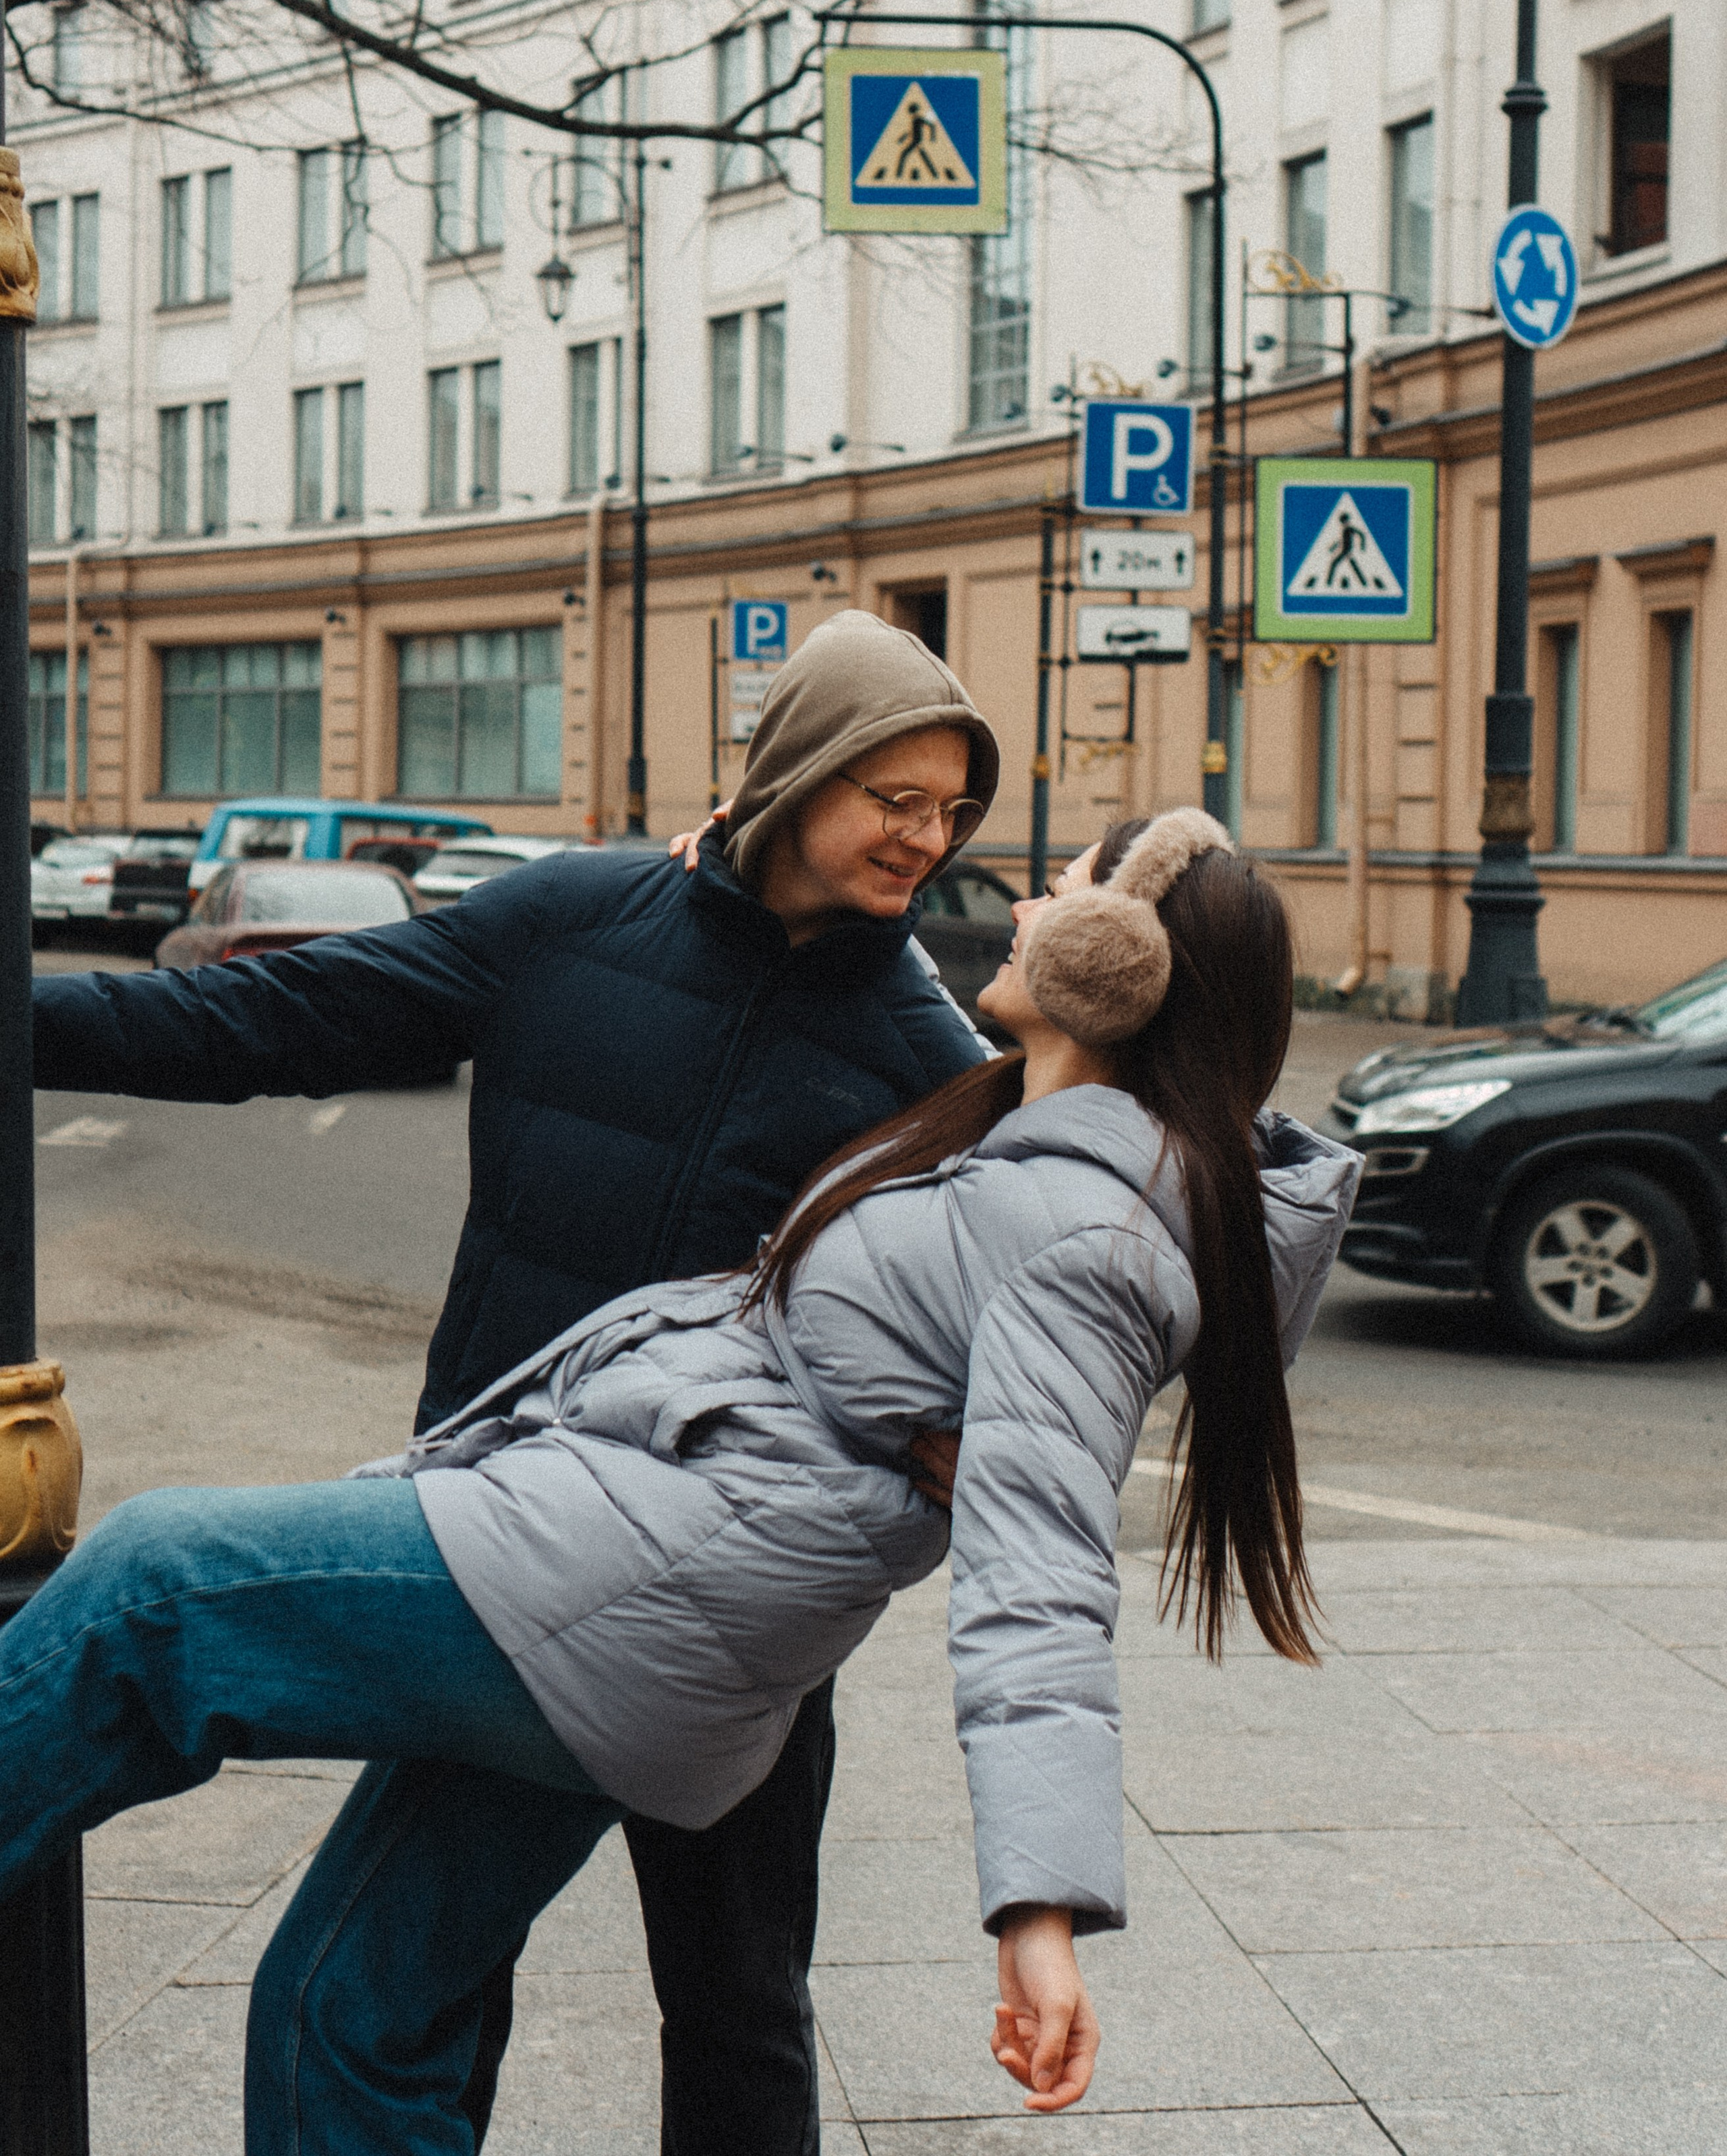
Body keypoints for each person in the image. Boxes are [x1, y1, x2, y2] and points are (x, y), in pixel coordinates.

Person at [6, 808, 1361, 2149]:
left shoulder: (1088, 1238)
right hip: (647, 1607)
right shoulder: (1031, 1143)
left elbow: (1042, 1575)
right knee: (349, 2008)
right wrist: (749, 847)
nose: (1015, 905)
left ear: (1115, 963)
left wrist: (1040, 1909)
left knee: (157, 1589)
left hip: (638, 1577)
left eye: (1057, 891)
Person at [30, 609, 1000, 2156]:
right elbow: (261, 1019)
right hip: (500, 1538)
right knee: (412, 1990)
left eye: (951, 811)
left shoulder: (926, 1066)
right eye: (897, 799)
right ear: (796, 771)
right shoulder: (571, 918)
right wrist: (28, 1023)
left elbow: (1019, 1312)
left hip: (715, 1594)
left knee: (736, 2000)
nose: (928, 839)